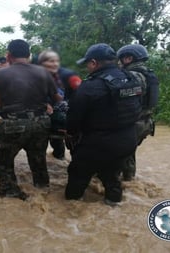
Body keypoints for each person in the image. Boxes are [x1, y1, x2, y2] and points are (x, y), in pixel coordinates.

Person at [65, 43, 142, 205]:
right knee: (112, 177)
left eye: (87, 64)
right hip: (127, 141)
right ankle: (113, 204)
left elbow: (73, 120)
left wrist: (70, 134)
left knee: (78, 176)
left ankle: (71, 209)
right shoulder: (131, 79)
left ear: (93, 63)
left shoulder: (89, 86)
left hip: (97, 144)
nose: (87, 67)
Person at [0, 39, 62, 200]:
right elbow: (57, 98)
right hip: (40, 123)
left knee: (4, 163)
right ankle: (42, 189)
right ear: (29, 55)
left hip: (12, 123)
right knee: (38, 159)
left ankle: (11, 194)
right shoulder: (44, 72)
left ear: (8, 55)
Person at [116, 44, 160, 180]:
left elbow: (125, 101)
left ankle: (123, 186)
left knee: (119, 156)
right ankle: (131, 185)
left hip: (133, 123)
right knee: (129, 154)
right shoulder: (148, 74)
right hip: (145, 122)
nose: (119, 62)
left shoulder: (133, 75)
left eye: (121, 59)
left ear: (128, 58)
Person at [37, 49, 82, 160]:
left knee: (75, 147)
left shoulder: (68, 76)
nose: (55, 64)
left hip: (65, 115)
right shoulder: (35, 76)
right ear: (41, 63)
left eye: (56, 61)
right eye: (51, 61)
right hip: (43, 116)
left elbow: (81, 95)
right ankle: (58, 158)